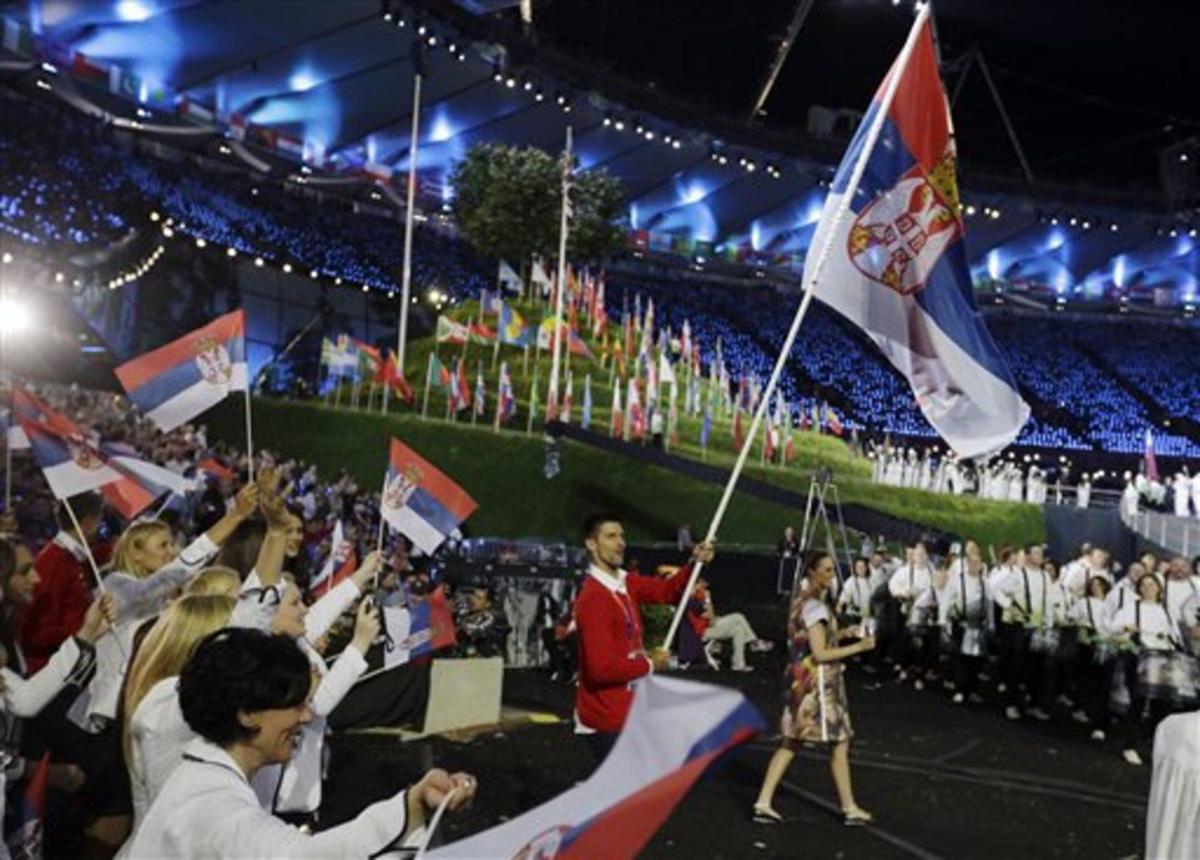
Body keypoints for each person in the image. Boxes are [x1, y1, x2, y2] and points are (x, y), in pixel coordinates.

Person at [124, 628, 476, 858]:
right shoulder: (216, 809)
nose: (306, 718)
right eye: (296, 705)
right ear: (247, 714)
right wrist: (410, 807)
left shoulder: (200, 777)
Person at [572, 513, 712, 763]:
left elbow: (667, 591)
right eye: (611, 536)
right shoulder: (594, 599)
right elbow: (600, 669)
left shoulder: (625, 583)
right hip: (607, 716)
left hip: (628, 708)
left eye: (622, 536)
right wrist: (649, 663)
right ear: (592, 544)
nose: (620, 543)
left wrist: (694, 562)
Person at [752, 552, 875, 826]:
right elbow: (820, 654)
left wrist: (841, 634)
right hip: (818, 685)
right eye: (828, 571)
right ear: (812, 572)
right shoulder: (816, 607)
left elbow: (809, 641)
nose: (832, 576)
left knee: (794, 741)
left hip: (800, 679)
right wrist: (859, 647)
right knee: (838, 740)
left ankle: (763, 800)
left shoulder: (801, 602)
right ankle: (849, 807)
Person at [19, 493, 108, 673]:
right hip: (52, 668)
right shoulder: (55, 561)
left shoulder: (71, 557)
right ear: (88, 522)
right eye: (100, 520)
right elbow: (38, 630)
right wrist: (86, 630)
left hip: (71, 659)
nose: (100, 527)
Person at [938, 541, 989, 705]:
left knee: (976, 659)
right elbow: (946, 598)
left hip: (978, 625)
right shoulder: (957, 578)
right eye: (971, 562)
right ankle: (960, 689)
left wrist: (991, 623)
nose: (974, 565)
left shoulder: (985, 582)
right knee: (958, 655)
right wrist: (942, 619)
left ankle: (972, 689)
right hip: (960, 622)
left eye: (977, 562)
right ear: (966, 562)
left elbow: (990, 602)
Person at [687, 577, 772, 673]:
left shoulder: (700, 595)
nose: (705, 586)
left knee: (738, 629)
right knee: (738, 618)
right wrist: (707, 600)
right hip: (702, 632)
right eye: (703, 584)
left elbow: (711, 617)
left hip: (708, 625)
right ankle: (753, 642)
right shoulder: (692, 599)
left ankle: (739, 665)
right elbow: (710, 619)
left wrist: (708, 603)